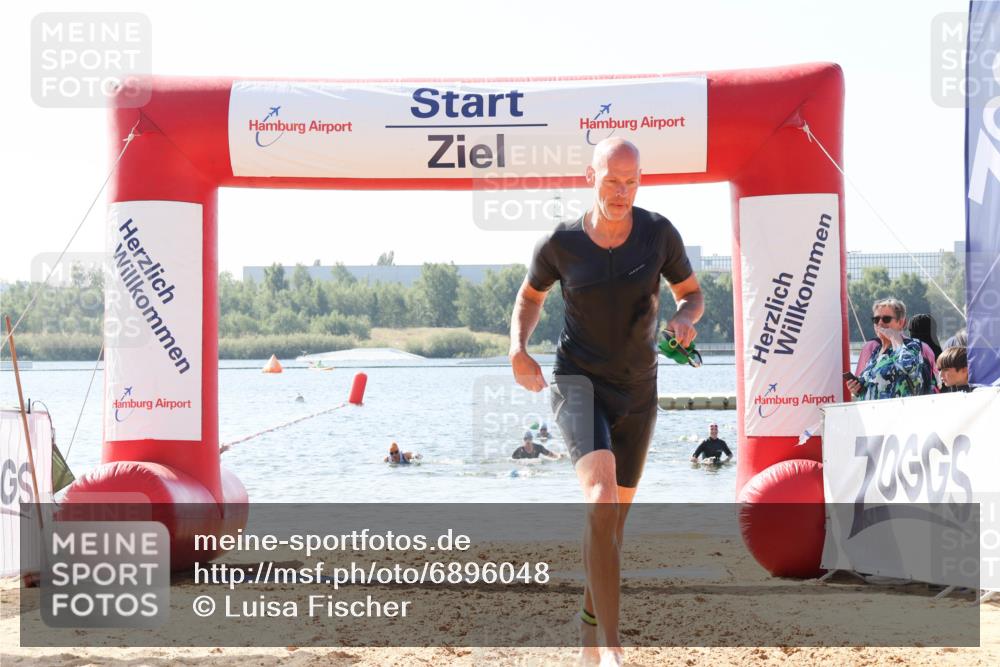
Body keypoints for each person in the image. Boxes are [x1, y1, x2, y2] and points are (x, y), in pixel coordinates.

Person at [508, 137, 703, 665]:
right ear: (590, 175)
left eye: (632, 180)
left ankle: (587, 630)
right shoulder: (561, 243)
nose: (622, 191)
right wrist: (518, 347)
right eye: (612, 179)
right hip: (578, 380)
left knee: (611, 524)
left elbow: (691, 292)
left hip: (638, 389)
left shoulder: (658, 233)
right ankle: (612, 649)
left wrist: (685, 319)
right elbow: (529, 297)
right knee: (600, 502)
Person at [847, 298, 929, 400]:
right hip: (872, 412)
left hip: (898, 412)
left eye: (886, 319)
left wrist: (895, 338)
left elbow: (909, 367)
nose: (880, 323)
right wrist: (857, 390)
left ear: (901, 322)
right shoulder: (875, 353)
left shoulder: (912, 346)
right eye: (876, 319)